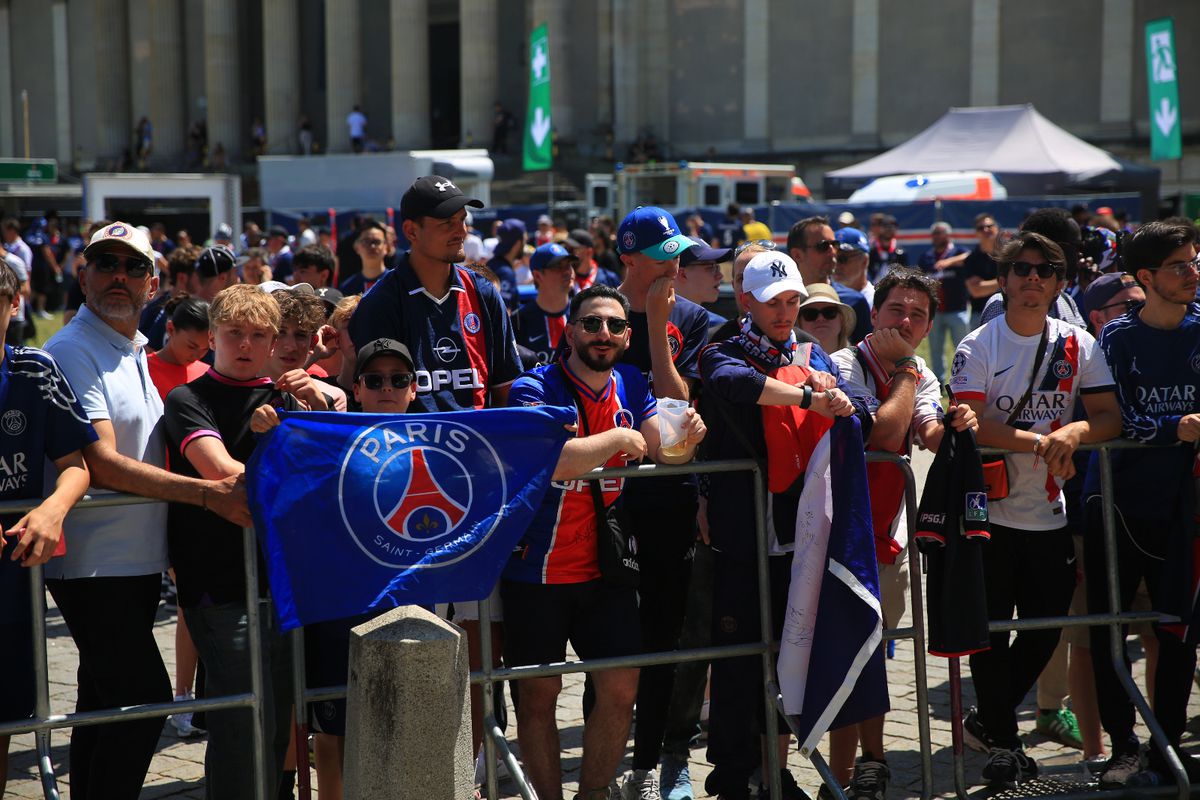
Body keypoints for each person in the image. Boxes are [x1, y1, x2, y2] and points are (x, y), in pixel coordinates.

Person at [43, 222, 249, 799]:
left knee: (102, 704)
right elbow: (101, 461)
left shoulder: (131, 347)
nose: (118, 277)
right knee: (144, 700)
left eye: (132, 268)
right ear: (82, 276)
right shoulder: (71, 348)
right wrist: (207, 495)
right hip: (91, 561)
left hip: (133, 561)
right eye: (105, 265)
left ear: (153, 285)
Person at [503, 284, 707, 800]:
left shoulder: (632, 382)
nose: (603, 334)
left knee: (621, 688)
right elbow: (548, 461)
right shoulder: (534, 388)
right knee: (538, 695)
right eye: (592, 323)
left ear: (626, 335)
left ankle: (593, 793)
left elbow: (665, 452)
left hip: (606, 570)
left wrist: (688, 440)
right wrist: (618, 440)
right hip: (537, 571)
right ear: (569, 330)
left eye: (615, 326)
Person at [948, 230, 1121, 789]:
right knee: (990, 635)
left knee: (1046, 630)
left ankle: (989, 722)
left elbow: (1108, 419)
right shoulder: (978, 344)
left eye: (1045, 269)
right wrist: (1042, 443)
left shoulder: (1080, 343)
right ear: (1003, 280)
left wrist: (1071, 430)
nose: (1032, 278)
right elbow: (972, 424)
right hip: (989, 515)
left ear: (1059, 282)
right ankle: (1002, 744)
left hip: (1050, 514)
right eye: (1021, 269)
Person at [699, 250, 865, 800]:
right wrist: (810, 396)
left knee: (787, 654)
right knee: (739, 660)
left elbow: (853, 411)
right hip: (741, 534)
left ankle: (776, 771)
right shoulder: (723, 348)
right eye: (774, 302)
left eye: (794, 300)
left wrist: (836, 399)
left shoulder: (812, 353)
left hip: (801, 535)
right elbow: (734, 383)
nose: (785, 312)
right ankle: (730, 777)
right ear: (746, 301)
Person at [828, 268, 978, 798]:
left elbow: (928, 433)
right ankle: (832, 772)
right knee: (838, 657)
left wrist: (959, 423)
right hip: (828, 539)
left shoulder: (920, 374)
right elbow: (884, 431)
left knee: (871, 655)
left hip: (884, 541)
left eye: (919, 313)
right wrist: (909, 373)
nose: (907, 320)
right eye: (897, 309)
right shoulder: (841, 364)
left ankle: (869, 764)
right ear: (875, 314)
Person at [162, 284, 303, 798]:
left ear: (273, 343)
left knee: (277, 722)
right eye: (234, 333)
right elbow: (222, 475)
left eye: (259, 335)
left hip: (284, 585)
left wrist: (321, 403)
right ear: (213, 338)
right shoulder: (188, 397)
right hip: (218, 586)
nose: (245, 344)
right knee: (240, 723)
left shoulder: (293, 400)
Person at [1081, 221, 1200, 788]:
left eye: (1196, 261)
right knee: (1111, 632)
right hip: (1118, 507)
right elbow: (1114, 418)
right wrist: (1173, 426)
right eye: (1179, 265)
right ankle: (1122, 747)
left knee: (1177, 632)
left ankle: (1166, 745)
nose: (1193, 273)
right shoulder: (1117, 339)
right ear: (1146, 278)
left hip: (1186, 511)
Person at [613, 206, 713, 800]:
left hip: (671, 490)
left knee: (667, 634)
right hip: (607, 495)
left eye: (680, 251)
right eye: (661, 255)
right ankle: (606, 760)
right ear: (629, 259)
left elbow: (679, 415)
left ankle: (653, 763)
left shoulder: (695, 319)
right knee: (612, 632)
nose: (675, 264)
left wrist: (656, 326)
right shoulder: (597, 313)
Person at [0, 261, 95, 796]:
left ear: (15, 307)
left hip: (11, 578)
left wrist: (54, 508)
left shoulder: (35, 370)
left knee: (6, 718)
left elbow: (76, 465)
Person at [349, 175, 521, 412]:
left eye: (462, 220)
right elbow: (379, 404)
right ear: (411, 231)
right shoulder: (380, 303)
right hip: (411, 446)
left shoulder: (484, 293)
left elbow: (506, 390)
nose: (461, 232)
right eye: (447, 223)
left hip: (480, 445)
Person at [787, 216, 870, 343]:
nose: (832, 252)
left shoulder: (855, 302)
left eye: (835, 244)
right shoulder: (782, 301)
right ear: (797, 255)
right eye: (823, 246)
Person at [918, 222, 970, 384]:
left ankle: (967, 378)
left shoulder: (957, 251)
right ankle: (939, 382)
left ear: (948, 235)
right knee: (935, 349)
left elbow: (970, 256)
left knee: (964, 348)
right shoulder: (927, 257)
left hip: (957, 309)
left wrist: (949, 262)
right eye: (934, 234)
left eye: (939, 233)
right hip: (935, 311)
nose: (936, 237)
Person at [514, 242, 575, 365]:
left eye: (569, 265)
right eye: (558, 267)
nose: (567, 272)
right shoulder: (518, 321)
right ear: (537, 275)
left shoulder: (583, 315)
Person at [676, 237, 732, 329]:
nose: (720, 276)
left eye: (717, 267)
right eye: (711, 267)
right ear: (683, 275)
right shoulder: (650, 320)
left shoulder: (718, 327)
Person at [964, 214, 1001, 330]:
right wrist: (1007, 280)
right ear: (977, 233)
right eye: (981, 228)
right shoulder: (971, 259)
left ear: (997, 228)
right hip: (979, 315)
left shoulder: (1010, 255)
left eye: (989, 226)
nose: (986, 230)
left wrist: (986, 285)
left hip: (1008, 312)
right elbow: (976, 291)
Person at [796, 283, 855, 356]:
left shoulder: (858, 361)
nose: (820, 318)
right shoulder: (788, 363)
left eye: (829, 312)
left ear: (841, 319)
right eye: (810, 314)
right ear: (799, 322)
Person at [338, 221, 390, 296]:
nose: (372, 246)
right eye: (366, 241)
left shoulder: (397, 283)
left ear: (386, 247)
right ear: (356, 247)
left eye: (377, 242)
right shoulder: (347, 288)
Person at [488, 218, 528, 311]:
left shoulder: (491, 264)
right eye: (525, 240)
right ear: (518, 243)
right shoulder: (505, 273)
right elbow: (503, 314)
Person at [833, 227, 874, 305]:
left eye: (843, 259)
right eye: (833, 257)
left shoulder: (877, 303)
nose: (836, 264)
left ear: (864, 261)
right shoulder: (823, 300)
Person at [867, 215, 907, 283]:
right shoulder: (872, 251)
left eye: (892, 227)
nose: (888, 229)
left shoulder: (900, 252)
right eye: (885, 226)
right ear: (879, 228)